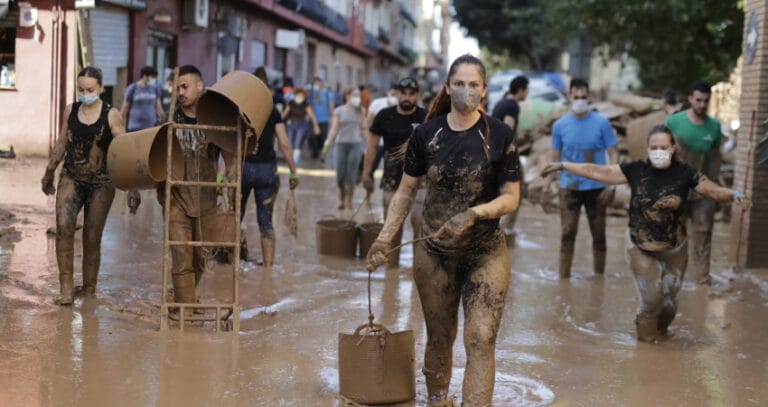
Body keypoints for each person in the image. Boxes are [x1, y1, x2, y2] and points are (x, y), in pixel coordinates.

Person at [366, 54, 521, 406]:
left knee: (481, 337)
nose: (466, 90)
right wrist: (385, 237)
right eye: (459, 83)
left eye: (473, 84)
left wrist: (474, 214)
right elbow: (406, 191)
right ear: (448, 87)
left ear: (484, 90)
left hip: (485, 250)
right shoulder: (426, 134)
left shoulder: (499, 134)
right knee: (439, 337)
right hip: (435, 252)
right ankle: (437, 400)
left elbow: (511, 198)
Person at [540, 125, 751, 342]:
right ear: (647, 148)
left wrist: (733, 194)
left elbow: (711, 190)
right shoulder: (635, 170)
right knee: (652, 299)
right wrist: (563, 165)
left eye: (663, 147)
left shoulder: (686, 173)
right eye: (654, 147)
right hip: (640, 246)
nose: (658, 151)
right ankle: (646, 345)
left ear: (673, 148)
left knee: (669, 305)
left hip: (675, 248)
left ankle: (660, 336)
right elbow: (599, 171)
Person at [41, 66, 126, 305]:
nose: (84, 93)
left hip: (102, 182)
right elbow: (61, 144)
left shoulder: (112, 115)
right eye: (80, 89)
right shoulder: (71, 110)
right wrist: (49, 172)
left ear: (100, 88)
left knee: (91, 237)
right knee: (63, 228)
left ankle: (89, 290)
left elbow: (124, 152)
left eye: (89, 89)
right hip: (72, 177)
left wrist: (133, 187)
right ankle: (66, 289)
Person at [158, 65, 235, 309]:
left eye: (184, 86)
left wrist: (230, 183)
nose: (180, 92)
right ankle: (187, 311)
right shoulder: (169, 120)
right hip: (176, 197)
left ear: (200, 86)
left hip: (206, 198)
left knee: (200, 258)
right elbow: (150, 155)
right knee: (181, 255)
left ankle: (183, 297)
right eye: (176, 88)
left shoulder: (214, 120)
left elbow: (230, 153)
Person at [549, 78, 619, 278]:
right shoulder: (559, 126)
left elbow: (614, 152)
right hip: (569, 187)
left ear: (589, 97)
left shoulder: (602, 122)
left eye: (583, 97)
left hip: (597, 188)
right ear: (569, 97)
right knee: (567, 234)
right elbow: (555, 158)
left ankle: (599, 281)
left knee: (599, 236)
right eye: (576, 96)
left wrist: (612, 182)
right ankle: (563, 280)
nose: (579, 100)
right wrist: (551, 183)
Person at [362, 77, 427, 265]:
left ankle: (419, 269)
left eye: (411, 94)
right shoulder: (384, 115)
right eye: (403, 93)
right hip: (391, 178)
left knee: (420, 223)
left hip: (420, 181)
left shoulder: (427, 118)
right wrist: (367, 174)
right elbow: (372, 147)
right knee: (391, 227)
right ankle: (391, 274)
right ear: (397, 94)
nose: (407, 97)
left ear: (417, 96)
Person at [664, 81, 722, 285]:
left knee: (703, 234)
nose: (702, 104)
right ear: (690, 99)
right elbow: (662, 152)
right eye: (698, 100)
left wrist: (716, 189)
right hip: (677, 188)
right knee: (674, 236)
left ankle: (702, 282)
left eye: (706, 101)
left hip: (703, 190)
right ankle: (672, 279)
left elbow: (716, 158)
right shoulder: (673, 123)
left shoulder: (714, 127)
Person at [240, 67, 300, 266]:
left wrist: (222, 175)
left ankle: (233, 266)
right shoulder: (272, 110)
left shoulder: (241, 110)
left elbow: (231, 145)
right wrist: (293, 172)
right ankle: (268, 271)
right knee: (265, 223)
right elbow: (284, 143)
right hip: (267, 171)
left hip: (243, 169)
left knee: (234, 220)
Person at [492, 75, 528, 240]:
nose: (527, 93)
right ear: (520, 90)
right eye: (526, 90)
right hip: (506, 154)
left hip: (494, 153)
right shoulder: (512, 105)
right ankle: (504, 231)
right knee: (518, 192)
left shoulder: (501, 102)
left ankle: (496, 229)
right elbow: (507, 129)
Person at [322, 87, 367, 210]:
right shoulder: (339, 111)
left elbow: (364, 128)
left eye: (358, 95)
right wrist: (327, 144)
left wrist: (368, 146)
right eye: (354, 95)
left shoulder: (361, 111)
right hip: (340, 145)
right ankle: (341, 196)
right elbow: (334, 129)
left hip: (356, 145)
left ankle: (349, 201)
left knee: (351, 176)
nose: (357, 98)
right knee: (340, 176)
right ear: (347, 96)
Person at [363, 84, 399, 179]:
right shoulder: (377, 103)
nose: (393, 96)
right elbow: (368, 121)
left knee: (391, 173)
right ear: (388, 93)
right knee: (370, 170)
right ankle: (368, 191)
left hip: (392, 146)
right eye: (392, 93)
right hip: (377, 143)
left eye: (396, 94)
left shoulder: (403, 106)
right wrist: (368, 138)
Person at [281, 87, 320, 165]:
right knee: (290, 141)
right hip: (291, 123)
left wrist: (316, 126)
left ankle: (295, 159)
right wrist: (278, 122)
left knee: (298, 141)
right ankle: (289, 158)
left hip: (302, 124)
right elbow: (285, 114)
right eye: (298, 95)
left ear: (304, 97)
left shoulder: (306, 104)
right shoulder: (291, 103)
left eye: (301, 96)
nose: (299, 98)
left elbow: (311, 115)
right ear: (295, 95)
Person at [120, 65, 164, 132]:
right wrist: (120, 124)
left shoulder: (155, 88)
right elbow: (125, 107)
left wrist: (163, 121)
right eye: (152, 77)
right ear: (145, 76)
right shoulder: (133, 88)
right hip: (134, 127)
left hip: (151, 126)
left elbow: (158, 107)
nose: (154, 79)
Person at [308, 77, 334, 159]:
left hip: (324, 119)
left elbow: (331, 105)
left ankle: (322, 153)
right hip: (313, 119)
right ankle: (314, 151)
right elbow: (309, 106)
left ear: (321, 83)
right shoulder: (312, 94)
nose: (316, 85)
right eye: (314, 83)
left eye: (317, 83)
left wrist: (332, 116)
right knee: (312, 136)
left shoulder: (327, 93)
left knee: (322, 137)